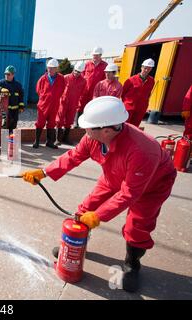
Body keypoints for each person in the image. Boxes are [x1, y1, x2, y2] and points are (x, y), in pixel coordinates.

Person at [21, 96, 176, 292]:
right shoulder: (94, 137)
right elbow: (73, 156)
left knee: (137, 225)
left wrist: (99, 216)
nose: (85, 131)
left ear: (107, 130)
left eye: (88, 128)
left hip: (151, 186)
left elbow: (129, 193)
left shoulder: (143, 150)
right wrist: (44, 172)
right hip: (114, 175)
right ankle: (75, 247)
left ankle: (132, 264)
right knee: (86, 208)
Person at [33, 59, 66, 149]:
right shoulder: (42, 79)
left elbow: (62, 89)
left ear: (56, 69)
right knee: (40, 123)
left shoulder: (61, 78)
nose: (50, 70)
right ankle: (37, 141)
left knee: (51, 123)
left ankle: (49, 142)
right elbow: (38, 90)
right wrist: (46, 98)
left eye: (52, 68)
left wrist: (54, 97)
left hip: (54, 105)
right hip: (43, 105)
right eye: (49, 68)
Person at [55, 61, 86, 146]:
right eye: (75, 70)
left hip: (73, 103)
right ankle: (58, 139)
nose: (76, 73)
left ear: (82, 72)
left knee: (69, 120)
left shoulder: (83, 81)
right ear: (73, 69)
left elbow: (82, 93)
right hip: (63, 102)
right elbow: (59, 89)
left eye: (79, 72)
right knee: (60, 119)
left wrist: (78, 102)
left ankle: (66, 138)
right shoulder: (66, 77)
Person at [75, 47, 108, 127]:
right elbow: (82, 75)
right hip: (85, 89)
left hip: (96, 91)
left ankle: (89, 123)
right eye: (93, 55)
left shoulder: (105, 65)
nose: (94, 57)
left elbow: (105, 79)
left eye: (96, 55)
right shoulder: (87, 64)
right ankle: (78, 123)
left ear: (100, 55)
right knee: (81, 106)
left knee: (92, 107)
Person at [0, 65, 25, 134]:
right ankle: (4, 142)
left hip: (15, 111)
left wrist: (21, 107)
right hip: (4, 110)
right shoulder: (1, 83)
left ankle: (10, 141)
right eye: (5, 74)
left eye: (8, 74)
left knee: (13, 125)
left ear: (13, 74)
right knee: (5, 125)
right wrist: (0, 89)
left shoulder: (18, 85)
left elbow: (21, 97)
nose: (6, 75)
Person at [121, 58, 156, 127]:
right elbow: (123, 93)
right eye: (145, 68)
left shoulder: (151, 81)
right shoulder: (131, 80)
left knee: (135, 127)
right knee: (124, 125)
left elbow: (148, 94)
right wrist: (127, 103)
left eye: (149, 69)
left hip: (141, 108)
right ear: (141, 67)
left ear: (151, 69)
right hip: (129, 107)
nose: (146, 70)